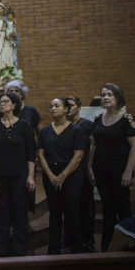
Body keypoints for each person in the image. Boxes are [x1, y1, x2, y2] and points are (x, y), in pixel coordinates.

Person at [89, 83, 135, 252]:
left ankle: (128, 246)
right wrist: (90, 166)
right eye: (103, 95)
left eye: (110, 94)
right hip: (101, 171)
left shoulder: (127, 119)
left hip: (120, 172)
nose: (106, 98)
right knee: (107, 209)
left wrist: (128, 172)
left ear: (118, 97)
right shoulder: (98, 119)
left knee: (123, 209)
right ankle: (108, 247)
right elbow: (94, 145)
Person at [0, 92, 35, 257]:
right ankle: (1, 249)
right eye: (0, 102)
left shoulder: (24, 125)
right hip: (0, 174)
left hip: (20, 174)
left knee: (19, 210)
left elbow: (31, 153)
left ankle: (20, 249)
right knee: (3, 210)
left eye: (6, 101)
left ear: (14, 105)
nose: (2, 104)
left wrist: (31, 176)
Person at [37, 98, 86, 254]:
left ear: (66, 109)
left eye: (56, 106)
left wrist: (62, 176)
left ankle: (75, 247)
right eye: (51, 106)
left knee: (72, 212)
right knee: (54, 212)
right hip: (50, 174)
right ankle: (54, 248)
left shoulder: (76, 130)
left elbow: (78, 156)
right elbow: (41, 154)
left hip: (71, 175)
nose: (52, 108)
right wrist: (51, 175)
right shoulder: (45, 131)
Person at [3, 79, 41, 213]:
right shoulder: (4, 111)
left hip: (26, 154)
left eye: (16, 91)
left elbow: (39, 132)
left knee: (27, 185)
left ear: (22, 93)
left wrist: (39, 153)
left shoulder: (31, 110)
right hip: (9, 155)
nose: (13, 93)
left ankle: (26, 216)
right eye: (10, 91)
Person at [66, 96, 96, 252]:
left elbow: (93, 147)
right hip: (68, 170)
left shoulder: (87, 125)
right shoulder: (63, 125)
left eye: (71, 105)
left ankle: (88, 239)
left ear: (78, 107)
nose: (69, 108)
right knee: (71, 207)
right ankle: (72, 239)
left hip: (83, 168)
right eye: (66, 105)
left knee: (86, 206)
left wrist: (90, 166)